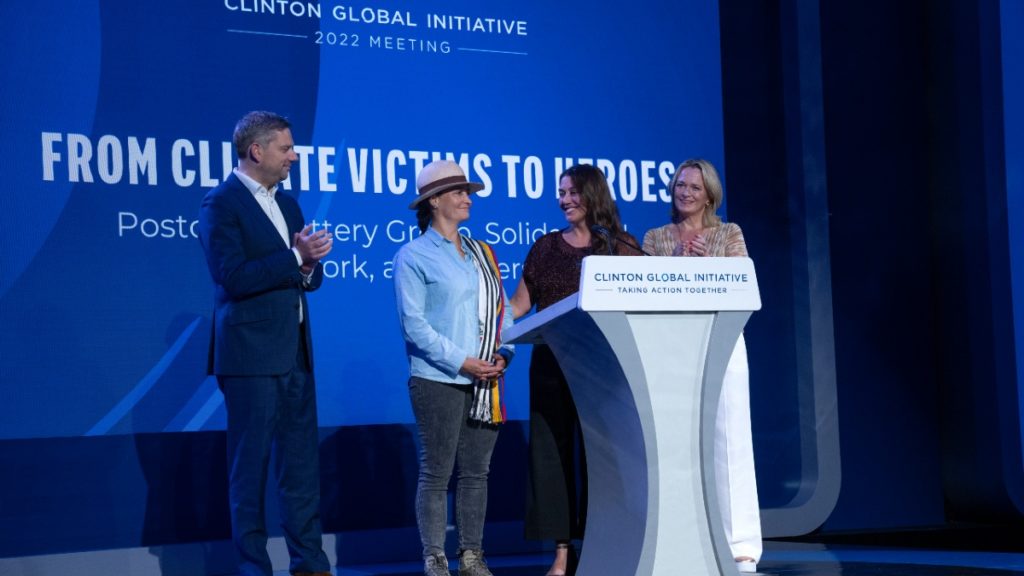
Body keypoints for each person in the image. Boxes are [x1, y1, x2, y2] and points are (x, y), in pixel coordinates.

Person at [198, 111, 334, 576]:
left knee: (300, 470)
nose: (294, 156)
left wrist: (309, 265)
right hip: (250, 357)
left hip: (296, 352)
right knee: (249, 473)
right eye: (286, 148)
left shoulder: (289, 203)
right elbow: (232, 278)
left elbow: (304, 280)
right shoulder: (222, 204)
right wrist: (297, 256)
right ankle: (254, 569)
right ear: (257, 151)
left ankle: (311, 565)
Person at [509, 164, 642, 576]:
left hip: (603, 368)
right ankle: (563, 553)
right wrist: (488, 323)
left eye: (572, 192)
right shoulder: (545, 247)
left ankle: (606, 542)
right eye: (561, 192)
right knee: (552, 457)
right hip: (551, 365)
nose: (564, 199)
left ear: (593, 195)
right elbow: (517, 306)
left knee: (603, 459)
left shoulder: (618, 247)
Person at [393, 160, 516, 576]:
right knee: (437, 471)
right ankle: (435, 556)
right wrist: (462, 361)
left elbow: (503, 312)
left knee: (476, 474)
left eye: (468, 192)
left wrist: (504, 353)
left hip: (486, 382)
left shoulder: (482, 253)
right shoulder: (413, 256)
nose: (468, 198)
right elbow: (415, 326)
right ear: (434, 201)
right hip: (438, 379)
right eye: (460, 192)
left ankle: (472, 555)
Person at [641, 158, 762, 574]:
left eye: (694, 186)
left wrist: (704, 267)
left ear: (710, 193)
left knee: (730, 439)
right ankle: (681, 538)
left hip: (722, 341)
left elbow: (742, 281)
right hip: (672, 347)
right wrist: (674, 261)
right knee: (676, 442)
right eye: (679, 185)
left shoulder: (728, 233)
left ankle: (741, 545)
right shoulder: (656, 238)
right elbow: (643, 292)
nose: (685, 192)